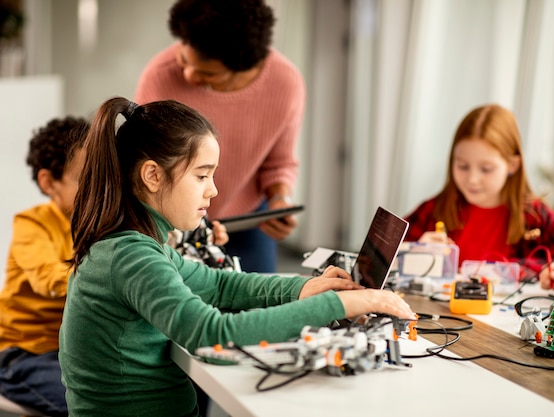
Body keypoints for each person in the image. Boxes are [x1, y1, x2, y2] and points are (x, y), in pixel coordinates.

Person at [58, 96, 414, 417]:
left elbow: (217, 284)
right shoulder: (130, 256)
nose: (213, 190)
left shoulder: (137, 244)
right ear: (152, 175)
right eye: (202, 175)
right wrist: (344, 305)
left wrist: (302, 290)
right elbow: (211, 332)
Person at [135, 0, 305, 273]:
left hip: (247, 220)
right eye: (183, 59)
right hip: (176, 219)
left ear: (241, 67)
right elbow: (143, 161)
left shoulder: (285, 83)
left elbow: (278, 163)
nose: (188, 74)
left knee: (261, 304)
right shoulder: (160, 76)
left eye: (207, 73)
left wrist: (279, 201)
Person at [402, 104, 554, 309]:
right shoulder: (434, 210)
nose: (472, 179)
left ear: (512, 165)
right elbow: (376, 263)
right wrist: (415, 254)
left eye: (486, 169)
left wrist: (549, 272)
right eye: (462, 166)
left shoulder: (534, 215)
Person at [0, 116, 89, 417]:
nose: (99, 190)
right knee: (90, 405)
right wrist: (110, 276)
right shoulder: (32, 224)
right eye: (84, 180)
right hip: (26, 353)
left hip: (78, 350)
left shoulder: (103, 225)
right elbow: (49, 279)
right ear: (49, 182)